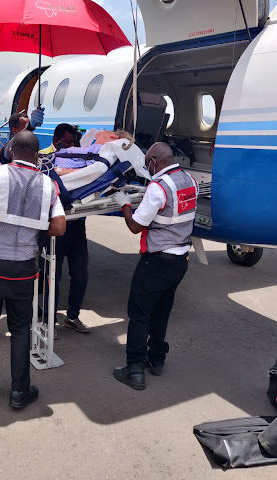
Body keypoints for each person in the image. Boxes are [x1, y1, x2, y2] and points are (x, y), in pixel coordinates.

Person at [0, 130, 66, 408]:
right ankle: (19, 392)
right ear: (37, 156)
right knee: (21, 329)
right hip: (23, 268)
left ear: (10, 150)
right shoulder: (48, 185)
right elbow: (59, 227)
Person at [111, 142, 197, 391]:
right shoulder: (188, 180)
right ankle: (156, 359)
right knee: (162, 311)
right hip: (179, 260)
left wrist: (124, 203)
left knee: (139, 314)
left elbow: (136, 226)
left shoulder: (158, 188)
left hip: (156, 260)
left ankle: (135, 369)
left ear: (153, 162)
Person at [40, 123, 90, 338]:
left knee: (80, 274)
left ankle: (72, 316)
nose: (72, 146)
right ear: (57, 139)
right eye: (68, 142)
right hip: (55, 228)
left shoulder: (81, 157)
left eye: (74, 142)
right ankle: (48, 320)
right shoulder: (43, 158)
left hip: (78, 226)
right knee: (52, 276)